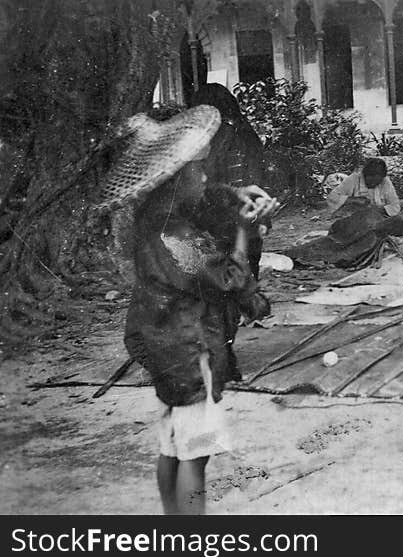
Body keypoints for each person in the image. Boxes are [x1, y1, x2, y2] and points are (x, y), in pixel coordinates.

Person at [100, 106, 279, 514]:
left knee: (172, 446)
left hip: (165, 351)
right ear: (174, 179)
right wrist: (245, 229)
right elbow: (229, 278)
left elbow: (204, 197)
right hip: (189, 353)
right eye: (198, 172)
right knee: (195, 456)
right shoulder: (177, 239)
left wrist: (233, 195)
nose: (204, 178)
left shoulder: (154, 219)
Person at [191, 83, 268, 279]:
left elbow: (207, 177)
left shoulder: (218, 134)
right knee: (249, 267)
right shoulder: (247, 131)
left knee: (226, 271)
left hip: (224, 215)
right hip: (252, 211)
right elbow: (259, 176)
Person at [326, 157, 401, 217]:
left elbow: (395, 205)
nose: (373, 184)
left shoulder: (385, 182)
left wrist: (377, 209)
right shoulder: (354, 178)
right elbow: (332, 197)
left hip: (377, 217)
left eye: (376, 182)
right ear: (364, 175)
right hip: (352, 218)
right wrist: (352, 200)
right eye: (370, 180)